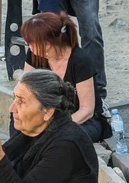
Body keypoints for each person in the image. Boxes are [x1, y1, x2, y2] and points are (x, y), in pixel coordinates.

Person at [20, 12, 111, 142]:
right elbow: (24, 90)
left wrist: (53, 128)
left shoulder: (80, 61)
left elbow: (87, 110)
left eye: (30, 42)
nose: (28, 46)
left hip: (81, 120)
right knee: (18, 121)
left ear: (47, 44)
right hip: (48, 115)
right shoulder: (35, 54)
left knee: (63, 138)